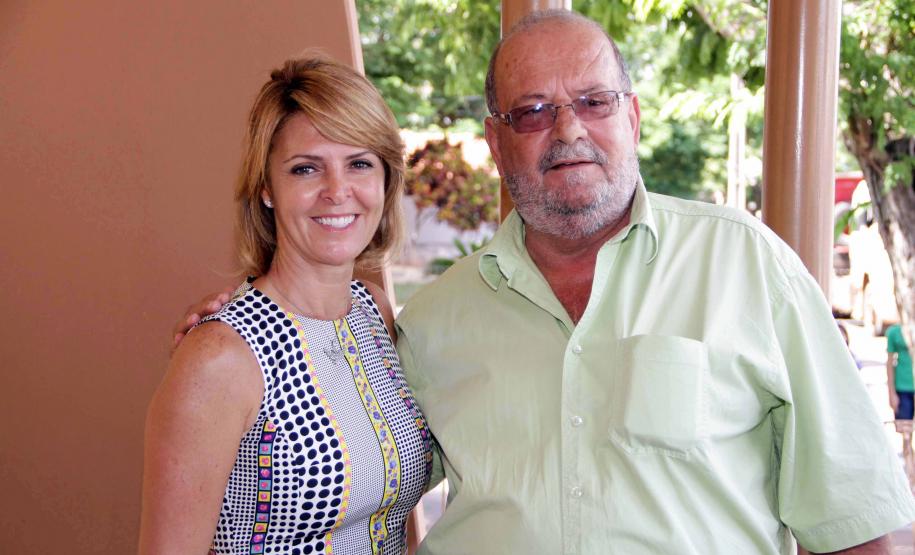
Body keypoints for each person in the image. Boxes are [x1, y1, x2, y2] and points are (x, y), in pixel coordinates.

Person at [175, 10, 915, 555]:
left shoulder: (746, 267)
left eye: (592, 102)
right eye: (531, 112)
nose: (567, 132)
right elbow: (356, 455)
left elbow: (859, 527)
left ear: (630, 114)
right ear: (496, 141)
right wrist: (241, 327)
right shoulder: (431, 321)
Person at [140, 56, 433, 555]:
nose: (337, 191)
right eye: (305, 169)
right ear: (266, 189)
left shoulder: (374, 312)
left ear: (385, 180)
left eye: (359, 163)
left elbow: (395, 516)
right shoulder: (219, 356)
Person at [887, 322, 915, 482]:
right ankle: (910, 477)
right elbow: (889, 363)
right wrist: (891, 392)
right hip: (903, 388)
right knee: (906, 434)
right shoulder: (894, 332)